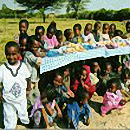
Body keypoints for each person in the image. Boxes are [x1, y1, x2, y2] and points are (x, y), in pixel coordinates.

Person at [0, 41, 31, 129]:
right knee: (9, 118)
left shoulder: (23, 66)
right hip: (8, 99)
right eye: (8, 54)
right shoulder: (2, 69)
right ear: (5, 54)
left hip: (21, 98)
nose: (11, 57)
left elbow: (28, 78)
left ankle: (25, 122)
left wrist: (28, 89)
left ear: (18, 54)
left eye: (14, 54)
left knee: (23, 114)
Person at [24, 36, 43, 106]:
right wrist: (40, 55)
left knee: (36, 95)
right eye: (34, 47)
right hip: (29, 80)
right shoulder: (28, 54)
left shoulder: (34, 53)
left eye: (37, 47)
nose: (36, 49)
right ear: (29, 45)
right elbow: (36, 60)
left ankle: (34, 109)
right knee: (29, 97)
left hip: (35, 79)